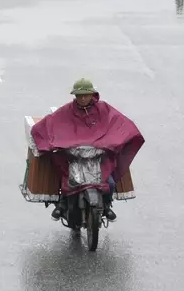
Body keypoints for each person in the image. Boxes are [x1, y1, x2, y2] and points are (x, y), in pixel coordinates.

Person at [30, 78, 145, 222]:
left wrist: (116, 140)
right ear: (75, 96)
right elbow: (50, 123)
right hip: (75, 159)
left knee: (109, 183)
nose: (83, 98)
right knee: (67, 179)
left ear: (92, 94)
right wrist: (46, 140)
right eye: (79, 95)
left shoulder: (104, 109)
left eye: (86, 95)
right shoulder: (66, 110)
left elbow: (120, 123)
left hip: (99, 159)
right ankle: (62, 204)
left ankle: (107, 206)